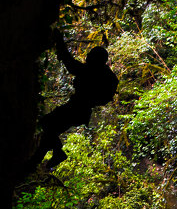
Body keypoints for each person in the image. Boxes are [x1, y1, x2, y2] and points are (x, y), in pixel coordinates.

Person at [38, 30, 119, 169]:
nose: (87, 57)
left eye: (90, 55)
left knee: (46, 123)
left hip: (76, 108)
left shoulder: (94, 71)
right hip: (80, 110)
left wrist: (60, 42)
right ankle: (44, 159)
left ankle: (57, 153)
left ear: (95, 59)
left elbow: (71, 65)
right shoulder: (104, 73)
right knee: (50, 131)